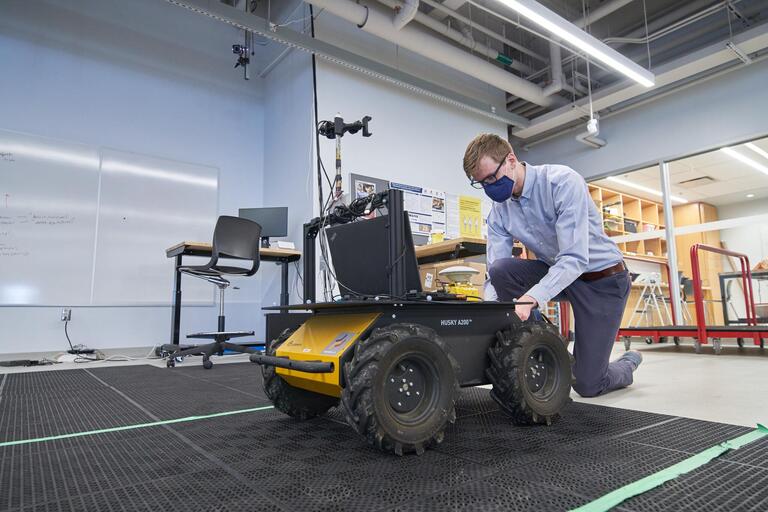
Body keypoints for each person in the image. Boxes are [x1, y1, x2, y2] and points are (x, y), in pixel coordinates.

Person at [462, 133, 642, 397]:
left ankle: (628, 362)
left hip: (602, 280)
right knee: (502, 270)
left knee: (588, 384)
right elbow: (495, 270)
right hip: (559, 274)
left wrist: (531, 297)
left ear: (511, 160)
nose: (489, 187)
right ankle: (540, 345)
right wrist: (489, 311)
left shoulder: (562, 182)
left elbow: (575, 259)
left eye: (491, 178)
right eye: (481, 183)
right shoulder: (499, 210)